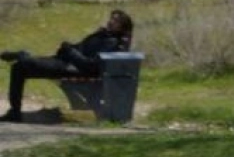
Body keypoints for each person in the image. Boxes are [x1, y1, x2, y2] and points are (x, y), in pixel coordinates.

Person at [1, 9, 134, 122]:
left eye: (116, 21)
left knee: (23, 64)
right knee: (18, 67)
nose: (111, 22)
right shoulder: (103, 35)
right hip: (68, 63)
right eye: (111, 19)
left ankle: (22, 56)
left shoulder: (111, 43)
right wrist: (68, 48)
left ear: (122, 27)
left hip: (75, 69)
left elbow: (91, 66)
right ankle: (15, 111)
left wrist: (70, 52)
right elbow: (81, 48)